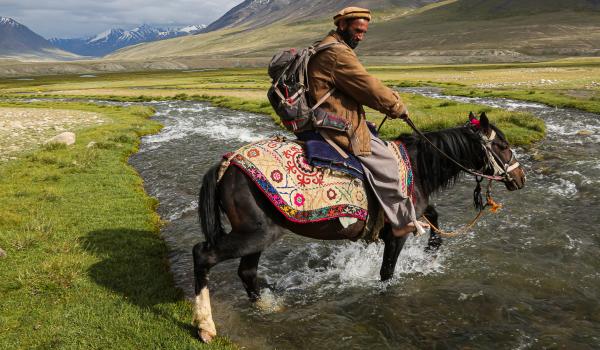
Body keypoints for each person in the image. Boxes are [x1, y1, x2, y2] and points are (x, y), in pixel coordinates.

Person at [307, 7, 428, 237]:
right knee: (388, 162)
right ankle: (400, 222)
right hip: (335, 124)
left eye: (364, 32)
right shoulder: (337, 53)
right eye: (357, 30)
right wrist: (396, 106)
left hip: (325, 116)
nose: (360, 36)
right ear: (342, 25)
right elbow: (367, 86)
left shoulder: (324, 45)